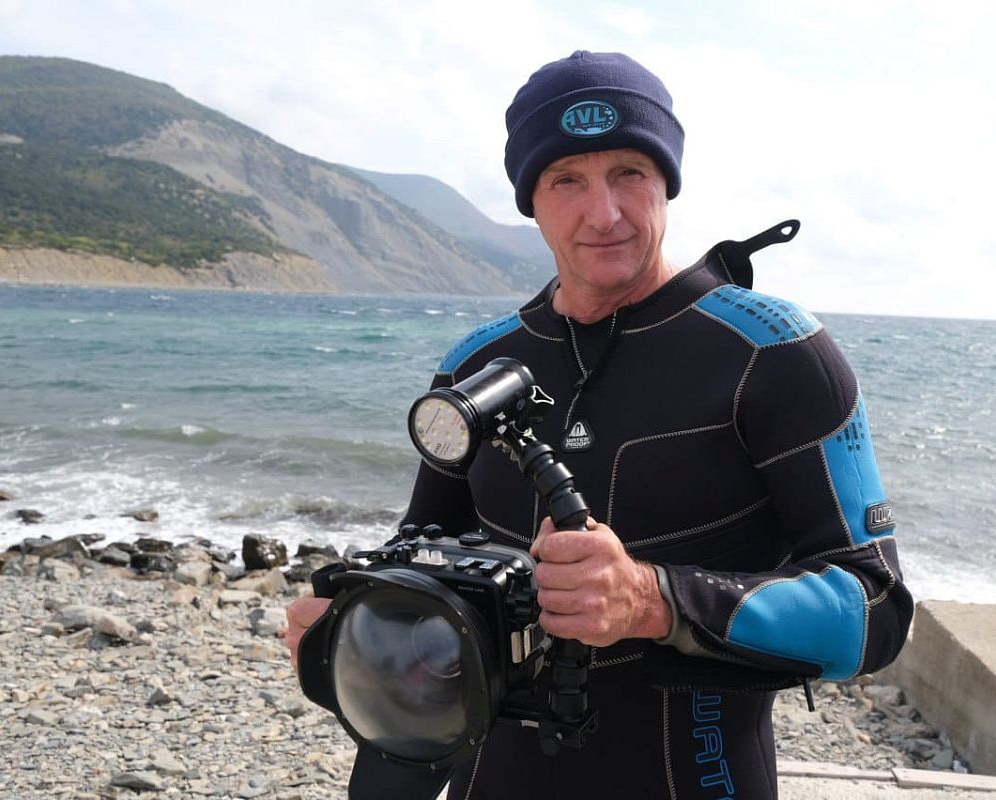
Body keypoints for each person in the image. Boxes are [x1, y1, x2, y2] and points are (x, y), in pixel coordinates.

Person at [287, 50, 913, 799]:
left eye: (629, 173)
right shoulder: (474, 366)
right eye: (566, 180)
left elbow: (876, 612)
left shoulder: (774, 352)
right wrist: (351, 623)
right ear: (531, 199)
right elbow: (420, 561)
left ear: (667, 183)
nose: (604, 213)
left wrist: (652, 600)